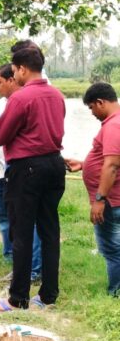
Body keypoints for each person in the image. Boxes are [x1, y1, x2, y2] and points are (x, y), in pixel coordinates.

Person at [0, 47, 66, 311]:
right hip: (54, 164)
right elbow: (32, 128)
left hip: (27, 168)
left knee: (21, 231)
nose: (13, 76)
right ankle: (48, 295)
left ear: (21, 69)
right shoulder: (56, 95)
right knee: (49, 230)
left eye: (14, 71)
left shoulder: (21, 98)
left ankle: (18, 297)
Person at [0, 64, 42, 281]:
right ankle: (13, 261)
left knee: (24, 221)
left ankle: (32, 268)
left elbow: (0, 134)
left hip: (16, 170)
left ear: (13, 79)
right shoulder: (4, 104)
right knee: (6, 219)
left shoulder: (22, 101)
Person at [65, 82, 120, 297]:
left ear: (100, 102)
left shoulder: (113, 125)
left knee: (112, 249)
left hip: (111, 200)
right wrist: (84, 164)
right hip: (114, 198)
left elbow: (113, 165)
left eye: (91, 108)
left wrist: (99, 199)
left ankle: (115, 292)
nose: (92, 112)